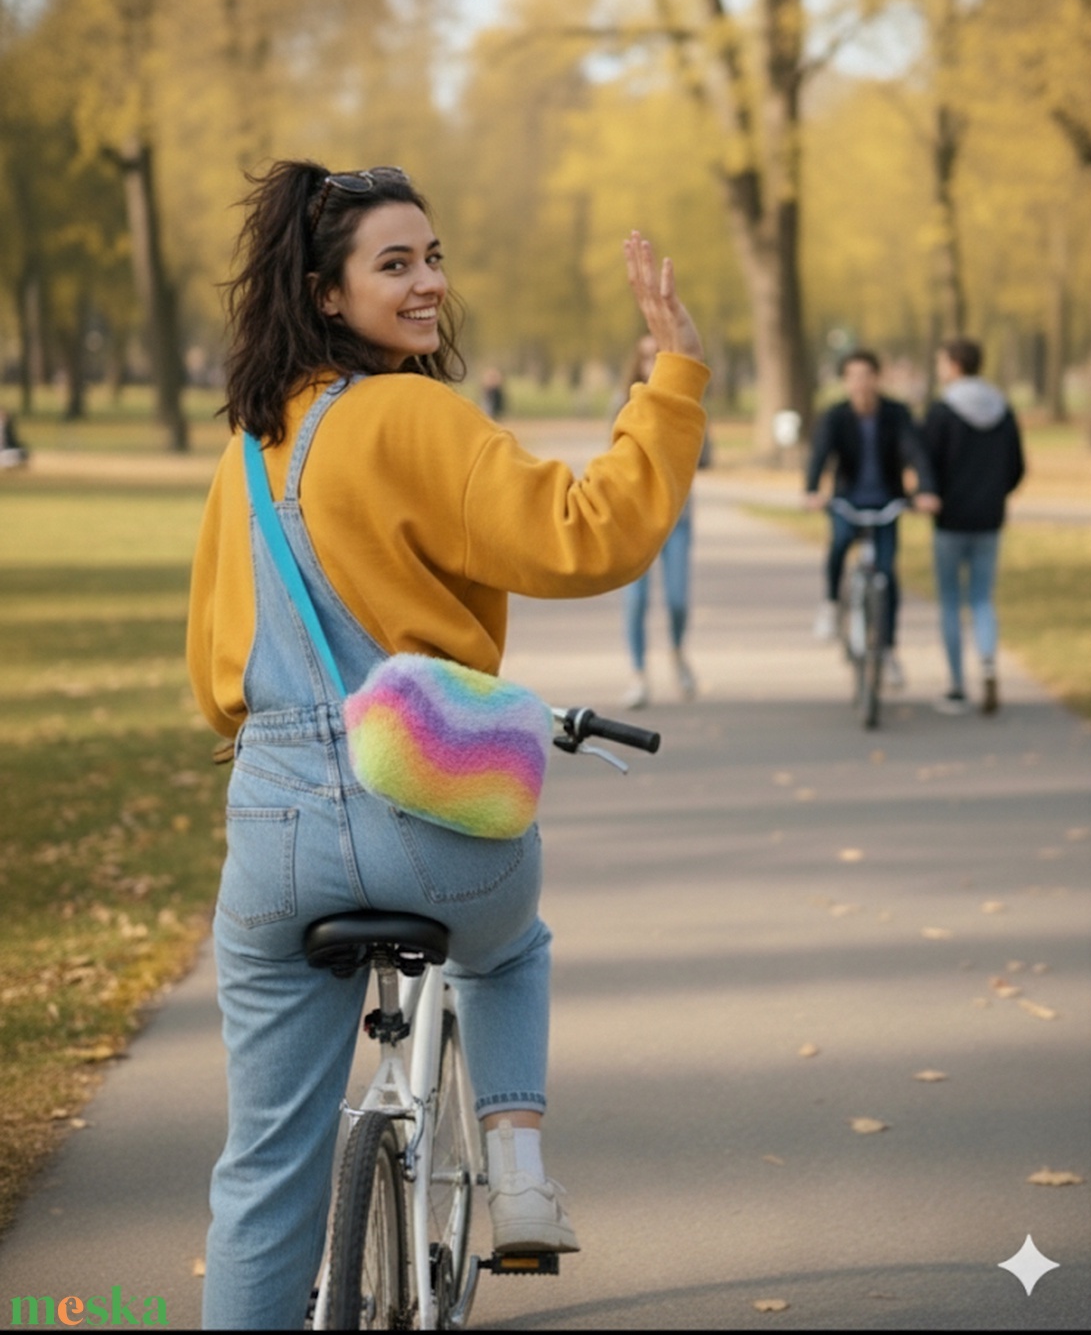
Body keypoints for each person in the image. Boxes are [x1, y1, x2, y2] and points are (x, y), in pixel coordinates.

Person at [186, 161, 708, 1330]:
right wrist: (669, 381)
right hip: (424, 810)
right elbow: (587, 533)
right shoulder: (414, 414)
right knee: (508, 945)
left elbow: (214, 670)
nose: (427, 283)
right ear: (327, 292)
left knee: (261, 1167)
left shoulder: (248, 449)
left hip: (274, 826)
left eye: (431, 257)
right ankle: (517, 1173)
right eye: (394, 264)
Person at [804, 348, 939, 688]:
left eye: (866, 376)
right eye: (853, 377)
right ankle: (830, 604)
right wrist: (812, 490)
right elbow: (820, 454)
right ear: (845, 381)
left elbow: (915, 452)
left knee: (887, 575)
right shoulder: (835, 416)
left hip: (886, 503)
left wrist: (925, 489)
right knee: (839, 544)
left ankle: (889, 651)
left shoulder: (896, 413)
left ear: (877, 378)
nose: (860, 383)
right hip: (848, 500)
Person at [922, 338, 1025, 714]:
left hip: (950, 519)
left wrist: (931, 494)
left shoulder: (942, 411)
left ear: (953, 365)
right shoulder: (1002, 408)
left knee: (950, 600)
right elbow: (1016, 466)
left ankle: (956, 685)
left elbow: (926, 462)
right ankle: (987, 664)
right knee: (982, 598)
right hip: (990, 518)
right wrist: (995, 494)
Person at [618, 333, 708, 708]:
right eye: (645, 357)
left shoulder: (684, 405)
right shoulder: (624, 405)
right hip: (634, 522)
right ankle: (638, 674)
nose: (651, 364)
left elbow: (705, 455)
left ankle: (678, 651)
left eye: (658, 356)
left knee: (677, 600)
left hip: (677, 519)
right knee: (636, 601)